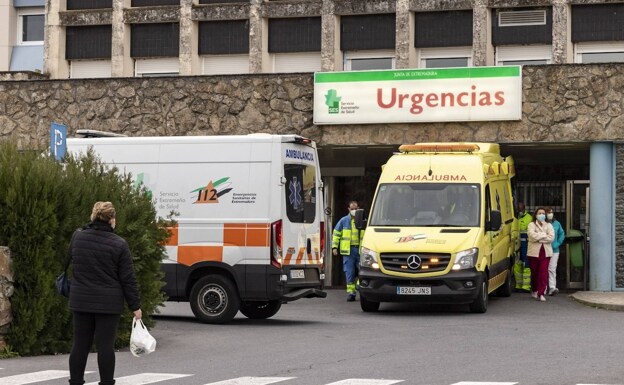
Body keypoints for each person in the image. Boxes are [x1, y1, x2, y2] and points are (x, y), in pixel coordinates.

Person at [68, 202, 142, 385]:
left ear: (93, 216)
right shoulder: (119, 244)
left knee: (80, 345)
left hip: (81, 300)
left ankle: (76, 382)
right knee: (105, 347)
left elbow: (72, 263)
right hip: (108, 304)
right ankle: (106, 382)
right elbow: (128, 279)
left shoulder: (78, 237)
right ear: (112, 219)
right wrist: (135, 307)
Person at [332, 201, 365, 302]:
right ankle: (351, 293)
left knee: (363, 271)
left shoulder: (363, 220)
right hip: (349, 251)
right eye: (352, 209)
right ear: (348, 209)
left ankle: (360, 287)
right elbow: (336, 234)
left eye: (355, 209)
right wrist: (334, 247)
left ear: (358, 208)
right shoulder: (344, 221)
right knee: (349, 273)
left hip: (360, 251)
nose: (354, 211)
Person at [527, 207, 554, 302]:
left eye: (543, 213)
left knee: (543, 273)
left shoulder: (549, 225)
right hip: (533, 253)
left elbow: (551, 238)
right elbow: (531, 236)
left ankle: (541, 292)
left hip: (545, 253)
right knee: (534, 273)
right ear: (536, 214)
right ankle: (534, 289)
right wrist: (543, 235)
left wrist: (539, 237)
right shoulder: (531, 225)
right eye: (540, 213)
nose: (542, 215)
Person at [546, 207, 566, 296]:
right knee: (544, 269)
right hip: (545, 249)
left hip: (554, 250)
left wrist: (558, 243)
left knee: (552, 269)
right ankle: (543, 288)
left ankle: (552, 287)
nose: (550, 214)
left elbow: (562, 234)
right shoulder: (543, 223)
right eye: (549, 212)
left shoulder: (557, 223)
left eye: (551, 212)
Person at [514, 202, 533, 292]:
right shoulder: (514, 218)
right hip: (516, 245)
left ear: (524, 208)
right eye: (518, 208)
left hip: (526, 245)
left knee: (526, 265)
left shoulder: (529, 218)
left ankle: (526, 287)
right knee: (517, 265)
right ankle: (518, 285)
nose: (519, 210)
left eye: (521, 208)